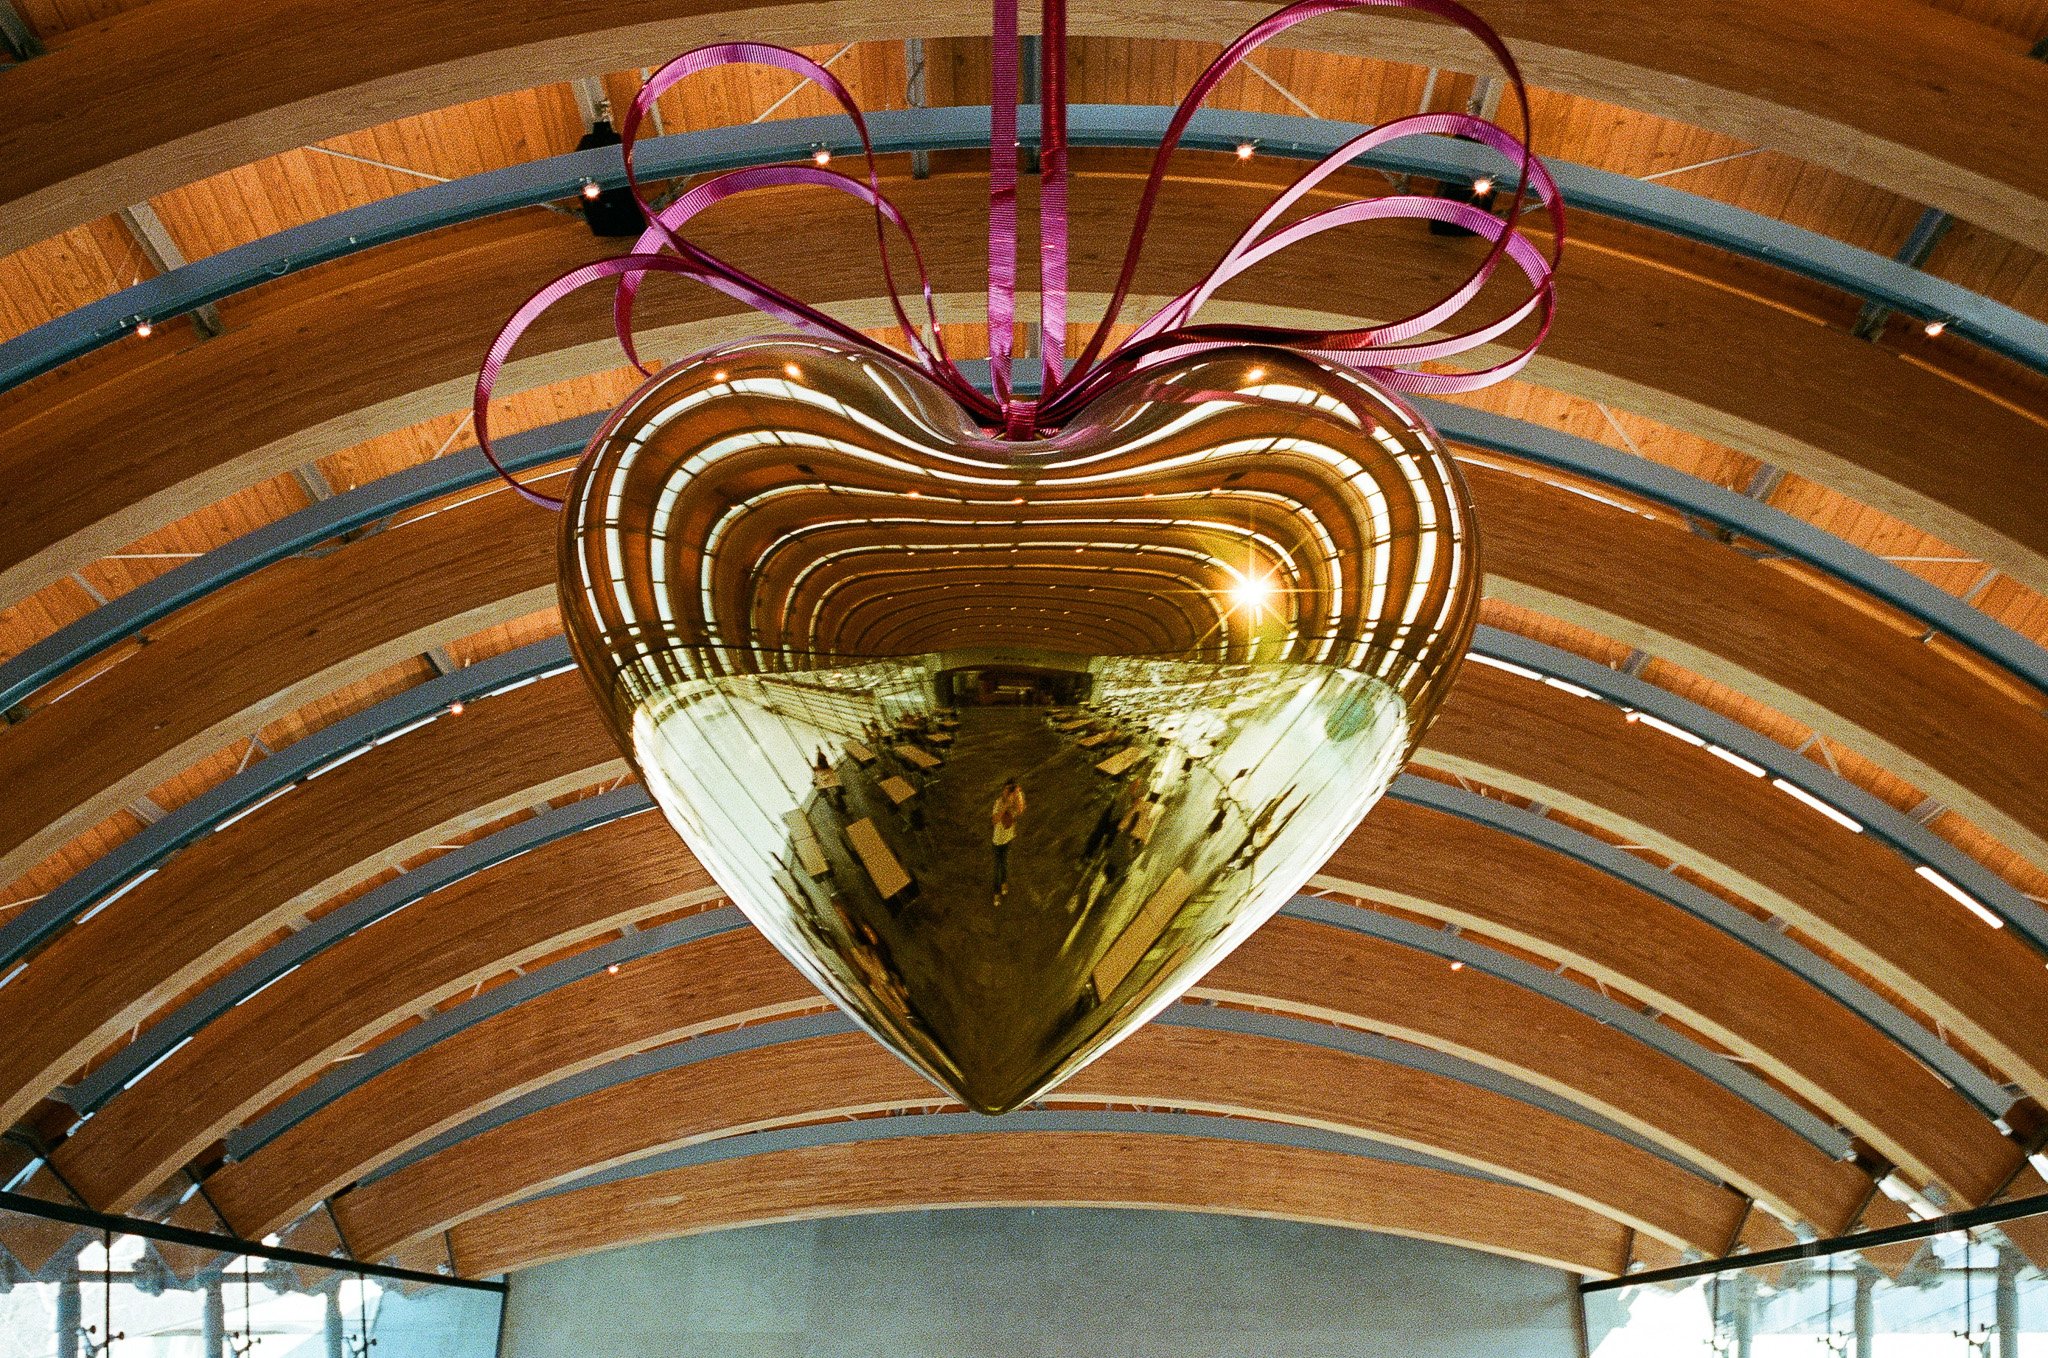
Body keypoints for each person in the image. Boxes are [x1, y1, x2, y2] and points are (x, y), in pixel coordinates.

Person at [991, 778, 1026, 897]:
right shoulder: (999, 802)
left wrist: (1019, 795)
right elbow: (995, 820)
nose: (1007, 792)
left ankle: (1004, 883)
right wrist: (1006, 805)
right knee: (997, 867)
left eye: (1010, 789)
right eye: (1006, 789)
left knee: (1004, 863)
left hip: (1008, 838)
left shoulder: (1015, 802)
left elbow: (1020, 811)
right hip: (997, 840)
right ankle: (996, 892)